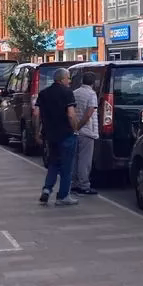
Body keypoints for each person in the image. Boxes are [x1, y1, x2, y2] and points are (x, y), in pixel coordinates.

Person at [36, 68, 79, 206]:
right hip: (66, 134)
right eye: (68, 78)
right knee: (67, 166)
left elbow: (36, 114)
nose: (70, 81)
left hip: (50, 134)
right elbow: (71, 114)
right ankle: (63, 196)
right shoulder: (67, 93)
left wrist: (38, 131)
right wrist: (75, 128)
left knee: (53, 163)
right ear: (62, 79)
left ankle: (47, 189)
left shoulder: (43, 93)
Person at [72, 73, 99, 195]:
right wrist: (80, 126)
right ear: (93, 82)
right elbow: (89, 113)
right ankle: (84, 185)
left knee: (75, 159)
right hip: (87, 131)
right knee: (85, 160)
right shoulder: (92, 94)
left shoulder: (75, 92)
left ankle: (74, 183)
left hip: (75, 131)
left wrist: (75, 127)